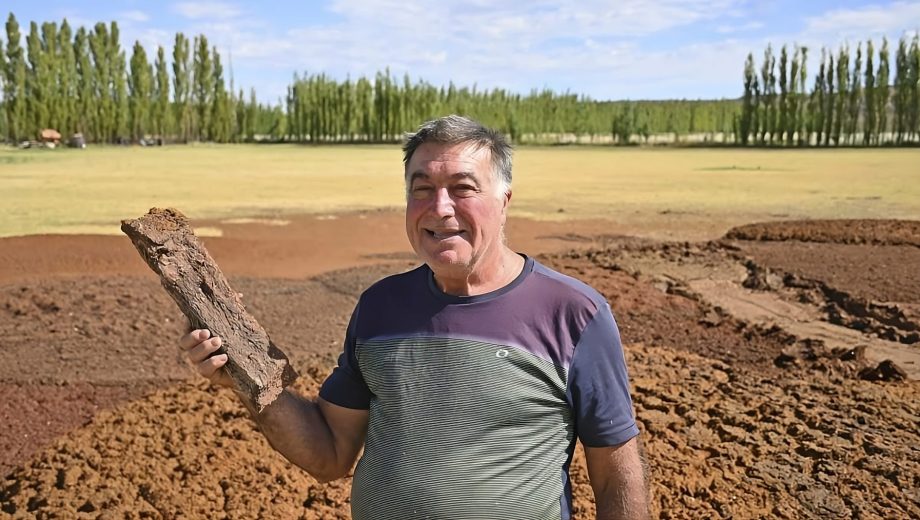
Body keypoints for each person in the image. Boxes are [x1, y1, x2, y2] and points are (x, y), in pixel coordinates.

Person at [179, 115, 649, 519]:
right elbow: (329, 454)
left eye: (463, 188)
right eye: (421, 189)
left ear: (504, 200)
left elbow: (616, 475)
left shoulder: (573, 313)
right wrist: (242, 375)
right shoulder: (380, 307)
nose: (440, 208)